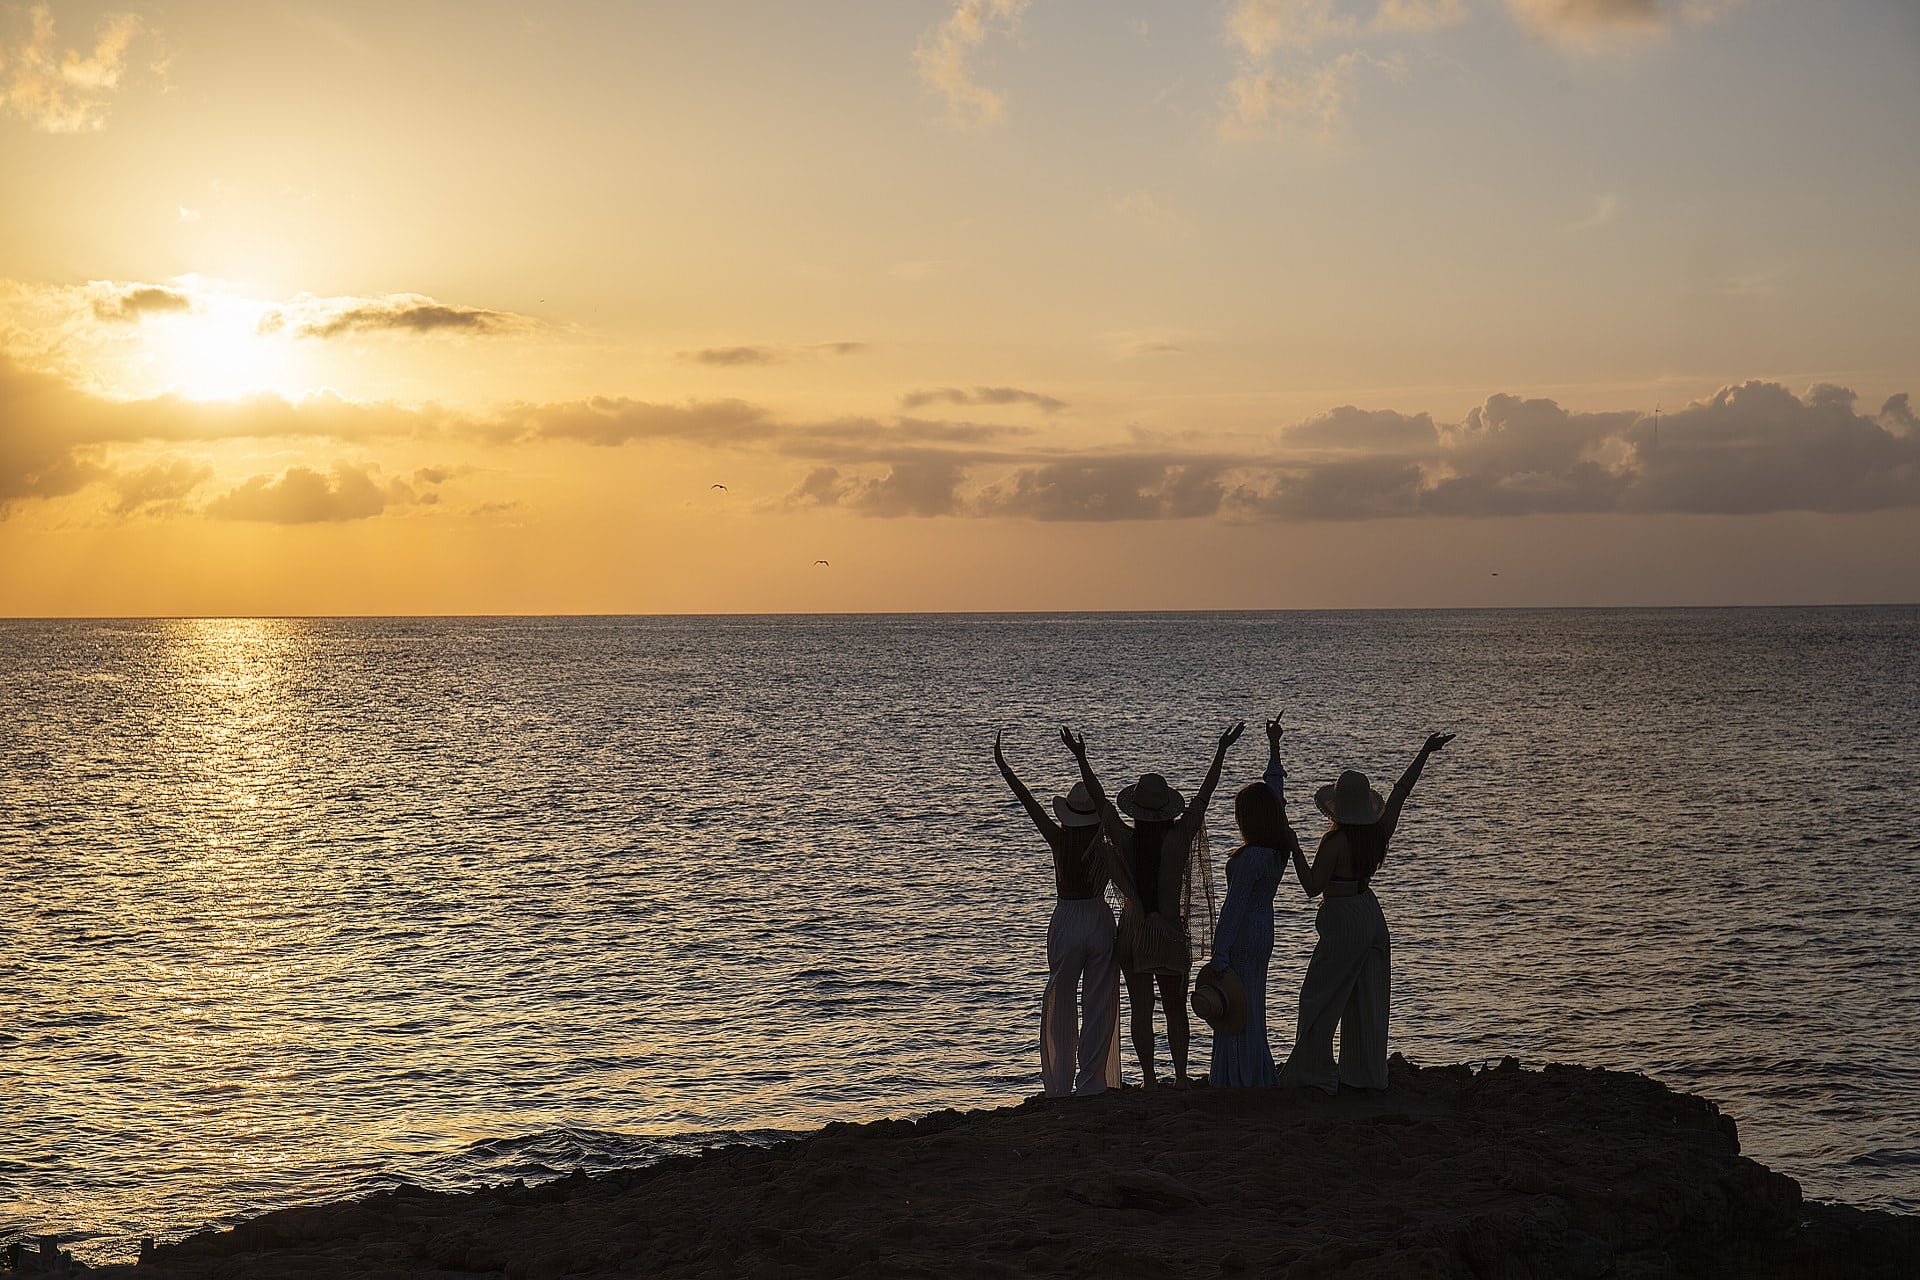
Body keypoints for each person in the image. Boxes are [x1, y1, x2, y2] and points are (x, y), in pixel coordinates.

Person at [1060, 722, 1243, 1088]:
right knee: (1175, 1009)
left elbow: (1099, 802)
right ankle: (1178, 1077)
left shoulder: (1125, 839)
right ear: (1167, 811)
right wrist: (1221, 750)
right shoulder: (1179, 837)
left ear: (1137, 810)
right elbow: (1205, 796)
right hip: (1171, 933)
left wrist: (1080, 757)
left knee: (1141, 1010)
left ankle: (1148, 1078)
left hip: (1135, 933)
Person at [1279, 730, 1455, 1093]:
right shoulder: (1378, 834)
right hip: (1370, 913)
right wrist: (1425, 750)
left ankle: (1313, 1073)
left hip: (1343, 916)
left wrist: (1294, 849)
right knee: (1368, 997)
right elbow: (1401, 792)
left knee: (1318, 996)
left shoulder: (1335, 842)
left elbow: (1313, 888)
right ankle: (1365, 1074)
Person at [994, 731, 1120, 1097]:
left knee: (1060, 1001)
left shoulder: (1059, 839)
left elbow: (1028, 802)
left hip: (1067, 918)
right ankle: (1092, 1081)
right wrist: (1081, 756)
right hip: (1098, 917)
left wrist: (1005, 767)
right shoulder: (1106, 842)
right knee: (1099, 1001)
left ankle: (1059, 1083)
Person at [1205, 715, 1303, 1087]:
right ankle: (1256, 1072)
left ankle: (1237, 1077)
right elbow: (1276, 791)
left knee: (1234, 1008)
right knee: (1254, 1005)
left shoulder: (1250, 860)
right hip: (1266, 929)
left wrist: (1219, 955)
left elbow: (1233, 909)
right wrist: (1274, 744)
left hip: (1245, 933)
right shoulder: (1277, 849)